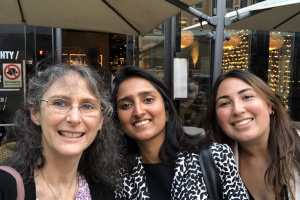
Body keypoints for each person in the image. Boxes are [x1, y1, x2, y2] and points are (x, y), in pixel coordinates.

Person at [112, 66, 250, 199]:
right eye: (126, 105)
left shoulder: (215, 156)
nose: (138, 111)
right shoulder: (114, 174)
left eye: (148, 100)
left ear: (166, 106)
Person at [0, 64, 122, 199]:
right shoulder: (6, 188)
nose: (74, 118)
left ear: (101, 121)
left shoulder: (106, 191)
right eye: (59, 103)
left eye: (87, 106)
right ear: (35, 113)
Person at [204, 69, 300, 200]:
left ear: (269, 105)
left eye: (247, 97)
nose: (238, 110)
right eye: (225, 103)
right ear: (217, 118)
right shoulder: (210, 163)